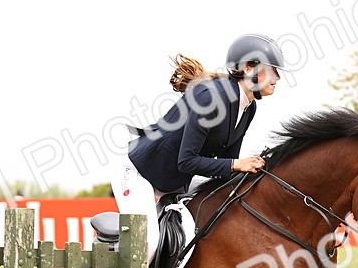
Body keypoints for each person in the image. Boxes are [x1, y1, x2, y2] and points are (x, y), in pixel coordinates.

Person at [114, 33, 287, 253]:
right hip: (140, 174)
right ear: (249, 68)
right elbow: (187, 161)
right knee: (146, 246)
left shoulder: (248, 107)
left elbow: (225, 164)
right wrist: (236, 164)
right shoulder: (211, 98)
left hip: (177, 177)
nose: (278, 77)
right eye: (272, 69)